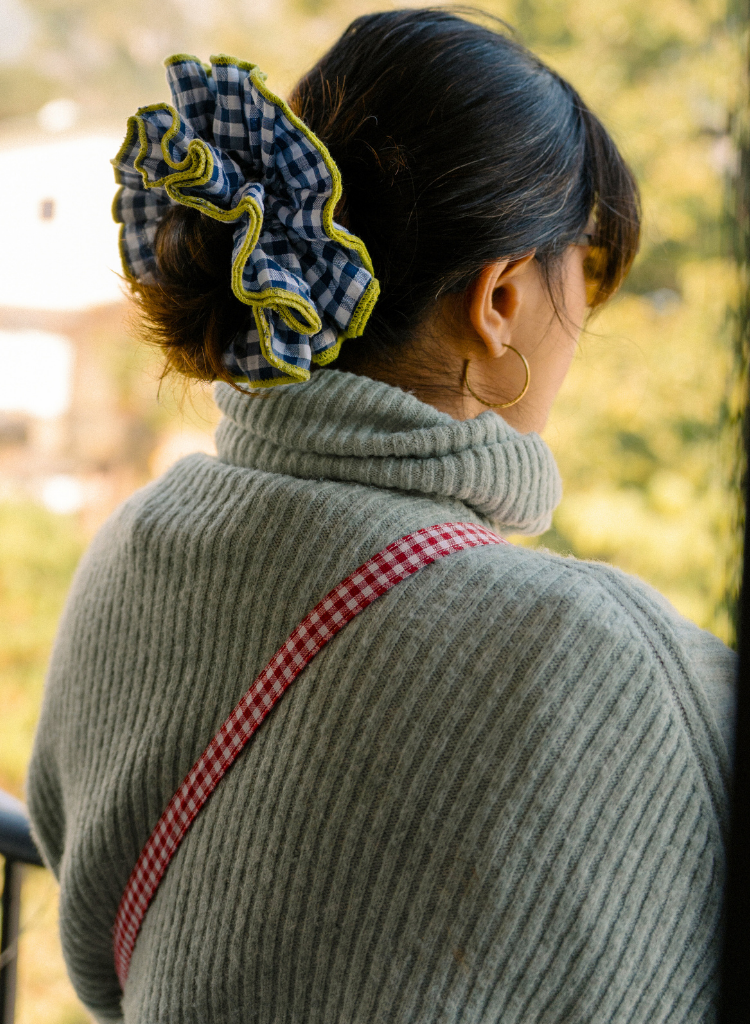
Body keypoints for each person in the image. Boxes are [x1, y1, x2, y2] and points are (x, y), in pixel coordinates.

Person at [27, 8, 735, 1023]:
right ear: (499, 299)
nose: (581, 330)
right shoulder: (593, 657)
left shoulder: (132, 546)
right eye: (581, 279)